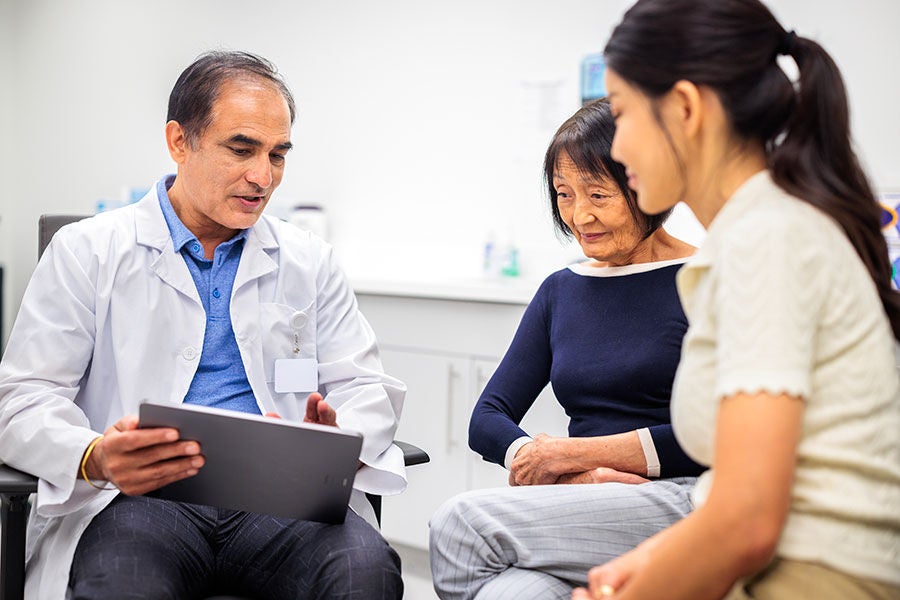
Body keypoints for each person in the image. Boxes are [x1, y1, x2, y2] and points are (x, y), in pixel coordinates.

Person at [0, 50, 407, 599]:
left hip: (280, 500)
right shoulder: (87, 252)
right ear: (179, 142)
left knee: (364, 570)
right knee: (123, 585)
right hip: (141, 501)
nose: (262, 177)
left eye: (277, 155)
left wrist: (338, 441)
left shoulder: (308, 260)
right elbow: (22, 397)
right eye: (241, 149)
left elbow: (363, 386)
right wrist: (94, 455)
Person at [571, 1, 900, 599]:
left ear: (687, 108)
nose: (616, 149)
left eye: (621, 115)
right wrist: (650, 560)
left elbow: (747, 522)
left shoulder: (766, 237)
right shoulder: (754, 231)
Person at [428, 98, 704, 600]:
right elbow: (487, 417)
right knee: (505, 596)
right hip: (579, 503)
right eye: (564, 194)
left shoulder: (704, 279)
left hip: (675, 499)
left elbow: (711, 435)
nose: (580, 215)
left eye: (598, 194)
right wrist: (569, 477)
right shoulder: (563, 288)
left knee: (460, 522)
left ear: (646, 185)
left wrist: (570, 456)